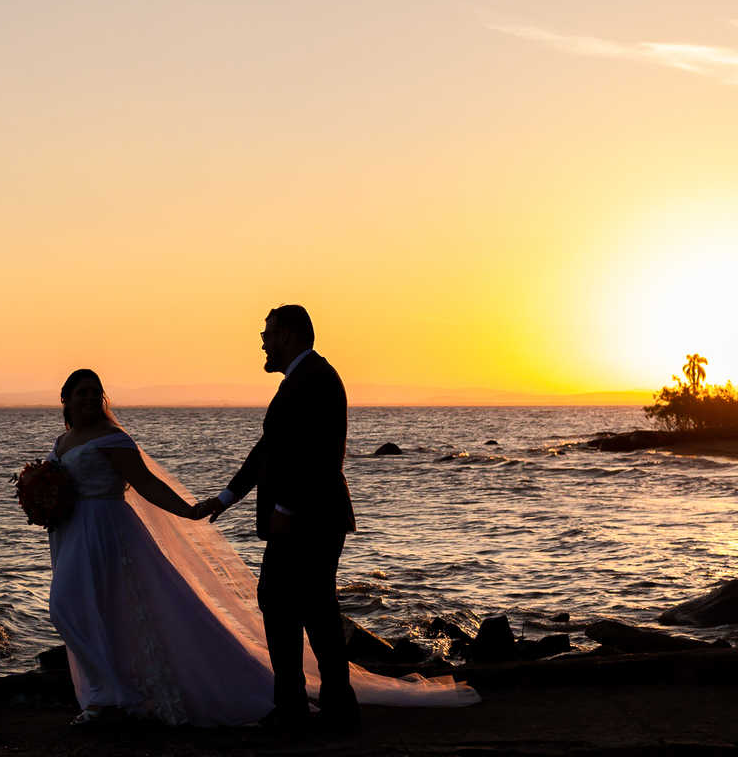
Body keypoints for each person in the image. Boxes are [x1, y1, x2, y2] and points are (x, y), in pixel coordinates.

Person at [45, 364, 479, 728]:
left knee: (310, 607)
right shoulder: (63, 441)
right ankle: (110, 693)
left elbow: (147, 484)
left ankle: (317, 703)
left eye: (95, 391)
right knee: (83, 609)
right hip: (72, 534)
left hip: (113, 531)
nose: (90, 397)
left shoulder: (113, 437)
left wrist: (192, 510)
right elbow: (267, 449)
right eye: (81, 392)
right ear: (65, 398)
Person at [197, 304, 358, 731]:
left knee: (301, 605)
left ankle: (305, 709)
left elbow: (314, 450)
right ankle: (319, 706)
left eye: (267, 335)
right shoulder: (299, 381)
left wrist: (285, 507)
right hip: (308, 515)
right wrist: (226, 498)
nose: (263, 343)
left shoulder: (313, 379)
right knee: (297, 605)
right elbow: (267, 449)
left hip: (310, 517)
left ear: (286, 335)